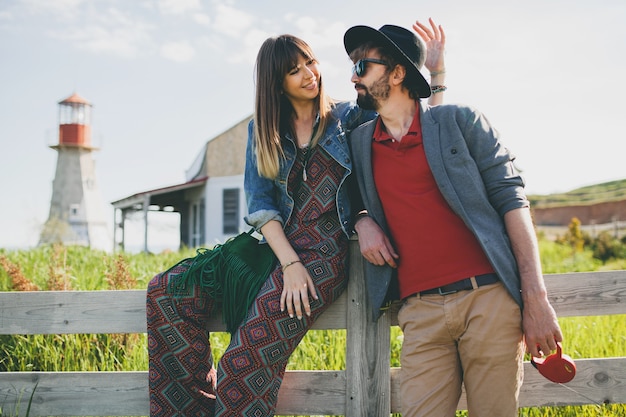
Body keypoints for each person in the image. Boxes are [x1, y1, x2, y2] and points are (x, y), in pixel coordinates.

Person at [146, 20, 445, 416]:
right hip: (275, 250)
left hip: (325, 256)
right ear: (276, 83)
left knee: (239, 367)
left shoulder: (349, 117)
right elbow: (261, 204)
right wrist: (289, 263)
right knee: (166, 292)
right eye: (294, 70)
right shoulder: (263, 129)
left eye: (311, 62)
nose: (309, 75)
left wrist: (436, 76)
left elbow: (416, 128)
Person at [343, 23, 563, 416]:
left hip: (489, 301)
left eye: (362, 65)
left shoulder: (462, 123)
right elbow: (340, 200)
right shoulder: (358, 143)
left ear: (397, 73)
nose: (353, 76)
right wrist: (361, 220)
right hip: (420, 313)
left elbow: (512, 201)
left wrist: (536, 300)